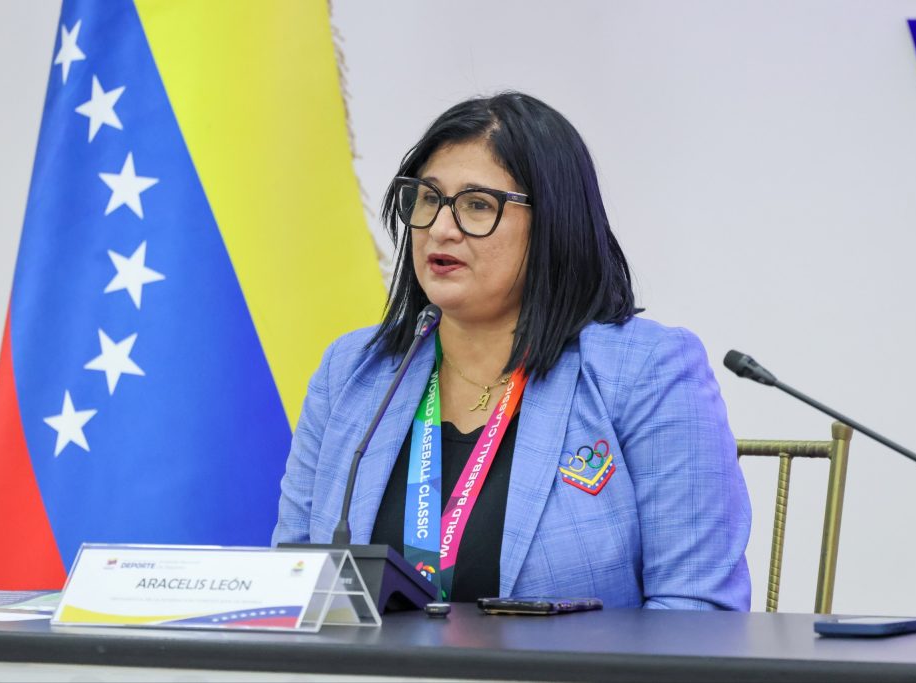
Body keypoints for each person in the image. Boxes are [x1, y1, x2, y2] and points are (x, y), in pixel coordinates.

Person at [272, 92, 751, 610]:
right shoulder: (352, 371)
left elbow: (696, 610)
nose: (441, 228)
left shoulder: (645, 371)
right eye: (429, 199)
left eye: (478, 205)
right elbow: (289, 589)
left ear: (553, 224)